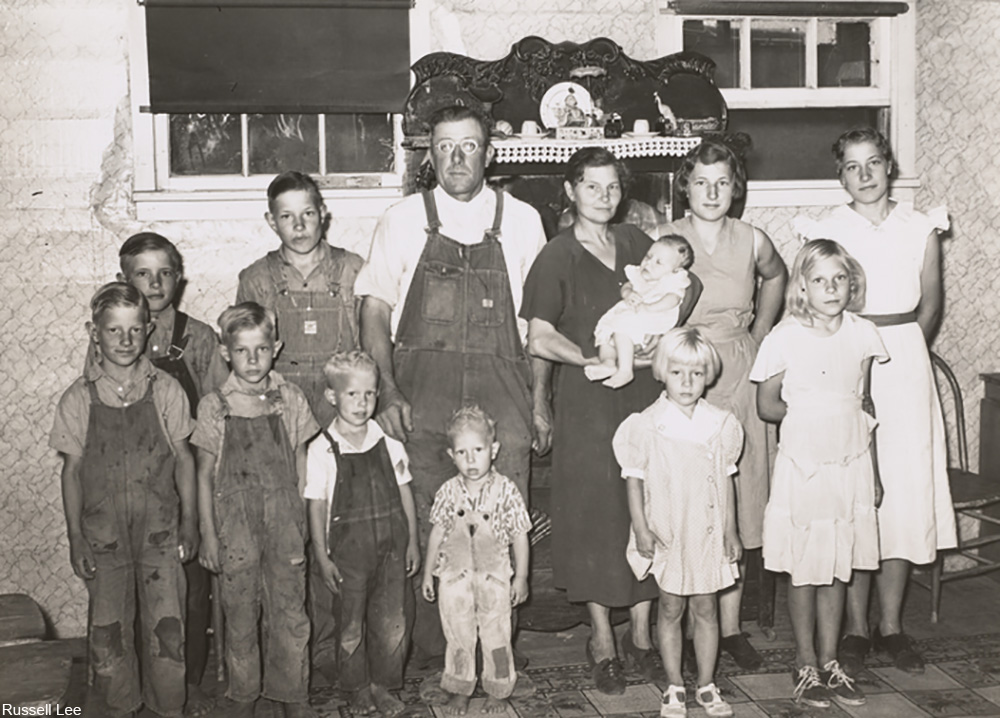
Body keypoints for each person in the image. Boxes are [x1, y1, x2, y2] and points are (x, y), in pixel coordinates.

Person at [356, 105, 548, 668]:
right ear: (429, 154)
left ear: (489, 154)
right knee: (430, 518)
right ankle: (439, 650)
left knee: (502, 521)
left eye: (468, 146)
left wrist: (538, 404)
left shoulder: (523, 220)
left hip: (504, 389)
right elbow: (374, 311)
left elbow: (539, 327)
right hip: (424, 391)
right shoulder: (400, 219)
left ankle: (497, 650)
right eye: (444, 146)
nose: (456, 157)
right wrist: (387, 392)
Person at [521, 147, 701, 694]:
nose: (604, 197)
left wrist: (658, 334)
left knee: (646, 508)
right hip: (588, 399)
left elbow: (686, 286)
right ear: (571, 191)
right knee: (596, 515)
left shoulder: (636, 243)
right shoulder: (557, 254)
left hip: (644, 393)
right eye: (592, 187)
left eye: (612, 187)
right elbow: (538, 335)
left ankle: (643, 637)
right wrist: (576, 368)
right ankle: (602, 639)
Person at [795, 127, 957, 675]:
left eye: (873, 164)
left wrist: (903, 351)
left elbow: (930, 306)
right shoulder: (827, 228)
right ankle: (856, 628)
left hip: (905, 364)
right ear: (839, 175)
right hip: (847, 360)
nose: (864, 176)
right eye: (851, 167)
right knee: (858, 492)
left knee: (905, 493)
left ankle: (891, 625)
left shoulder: (920, 226)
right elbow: (819, 301)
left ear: (889, 165)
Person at [660, 139, 787, 670]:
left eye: (722, 182)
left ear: (735, 188)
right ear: (684, 187)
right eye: (700, 182)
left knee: (739, 494)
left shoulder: (752, 238)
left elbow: (778, 276)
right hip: (687, 371)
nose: (712, 192)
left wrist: (759, 330)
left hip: (740, 371)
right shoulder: (666, 240)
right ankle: (689, 625)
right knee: (690, 499)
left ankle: (730, 628)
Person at [237, 170, 364, 680]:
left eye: (307, 213)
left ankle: (344, 650)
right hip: (283, 426)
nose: (299, 224)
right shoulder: (257, 279)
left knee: (341, 532)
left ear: (323, 214)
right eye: (286, 216)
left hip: (344, 421)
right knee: (293, 537)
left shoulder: (354, 271)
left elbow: (373, 348)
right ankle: (298, 657)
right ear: (271, 221)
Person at [752, 239, 887, 708]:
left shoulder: (864, 334)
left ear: (852, 284)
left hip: (850, 462)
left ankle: (831, 661)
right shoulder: (783, 338)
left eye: (839, 279)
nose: (830, 288)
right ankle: (805, 662)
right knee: (804, 569)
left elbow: (863, 401)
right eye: (819, 280)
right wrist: (810, 412)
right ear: (802, 288)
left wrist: (873, 472)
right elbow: (767, 406)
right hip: (805, 466)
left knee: (838, 567)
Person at [51, 282, 197, 718]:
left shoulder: (166, 390)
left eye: (135, 330)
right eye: (113, 331)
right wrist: (76, 537)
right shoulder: (78, 399)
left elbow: (185, 461)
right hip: (104, 540)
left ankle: (168, 708)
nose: (125, 340)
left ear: (149, 330)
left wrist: (190, 523)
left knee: (167, 632)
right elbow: (72, 472)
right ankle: (120, 708)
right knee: (107, 635)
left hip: (161, 535)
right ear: (93, 332)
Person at [100, 231, 227, 717]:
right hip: (129, 485)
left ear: (179, 278)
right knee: (133, 595)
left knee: (191, 594)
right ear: (123, 279)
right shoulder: (110, 333)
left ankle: (187, 685)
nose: (155, 283)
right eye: (142, 273)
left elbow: (217, 412)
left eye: (165, 273)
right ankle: (131, 692)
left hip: (187, 481)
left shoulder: (198, 338)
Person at [193, 303, 318, 718]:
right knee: (241, 612)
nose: (252, 359)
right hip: (235, 528)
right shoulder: (215, 407)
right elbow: (205, 475)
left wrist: (301, 517)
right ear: (226, 351)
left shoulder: (290, 398)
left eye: (261, 349)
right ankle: (244, 694)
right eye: (242, 350)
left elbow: (302, 461)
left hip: (284, 520)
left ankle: (292, 694)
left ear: (276, 348)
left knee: (289, 610)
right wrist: (209, 535)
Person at [614, 327, 742, 718]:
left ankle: (706, 683)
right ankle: (673, 686)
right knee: (669, 609)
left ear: (709, 375)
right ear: (661, 372)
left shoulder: (721, 424)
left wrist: (730, 529)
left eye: (697, 373)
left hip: (705, 531)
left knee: (705, 609)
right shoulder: (646, 424)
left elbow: (726, 479)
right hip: (668, 529)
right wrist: (641, 528)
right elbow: (633, 480)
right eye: (677, 373)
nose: (687, 383)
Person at [305, 350, 419, 718]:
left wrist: (414, 541)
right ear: (331, 396)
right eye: (352, 394)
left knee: (392, 621)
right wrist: (322, 556)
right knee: (350, 623)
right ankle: (356, 687)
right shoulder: (322, 448)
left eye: (370, 393)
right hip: (348, 553)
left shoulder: (389, 443)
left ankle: (382, 686)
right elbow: (317, 504)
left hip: (391, 548)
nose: (362, 402)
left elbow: (405, 492)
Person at [421, 407, 531, 716]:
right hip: (454, 580)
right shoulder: (447, 492)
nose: (471, 460)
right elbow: (436, 533)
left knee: (497, 637)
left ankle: (498, 688)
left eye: (478, 450)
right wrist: (429, 573)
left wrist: (520, 577)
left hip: (494, 580)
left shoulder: (506, 491)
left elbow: (520, 535)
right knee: (458, 636)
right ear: (451, 454)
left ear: (493, 450)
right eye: (462, 452)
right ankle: (459, 688)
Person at [586, 234, 693, 388]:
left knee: (621, 330)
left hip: (654, 316)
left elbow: (672, 299)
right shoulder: (639, 275)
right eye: (648, 256)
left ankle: (625, 370)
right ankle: (608, 363)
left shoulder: (672, 281)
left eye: (658, 262)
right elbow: (626, 286)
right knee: (607, 332)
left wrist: (650, 307)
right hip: (632, 313)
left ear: (675, 270)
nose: (649, 263)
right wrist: (628, 293)